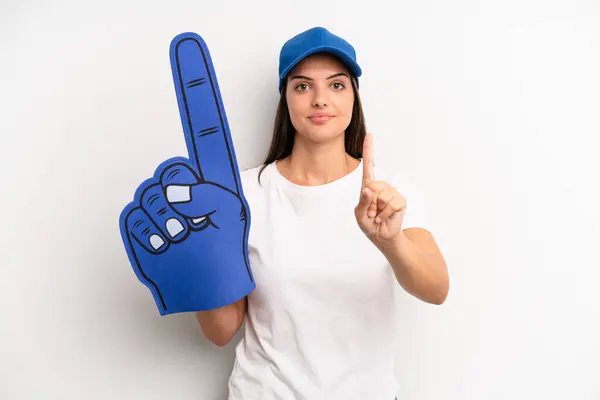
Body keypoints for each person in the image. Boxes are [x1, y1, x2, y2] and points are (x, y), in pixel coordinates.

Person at [195, 26, 449, 400]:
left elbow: (436, 288)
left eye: (336, 85)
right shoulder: (243, 195)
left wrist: (390, 242)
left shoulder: (390, 192)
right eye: (302, 86)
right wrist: (195, 264)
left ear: (354, 97)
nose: (319, 99)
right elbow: (220, 332)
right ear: (285, 98)